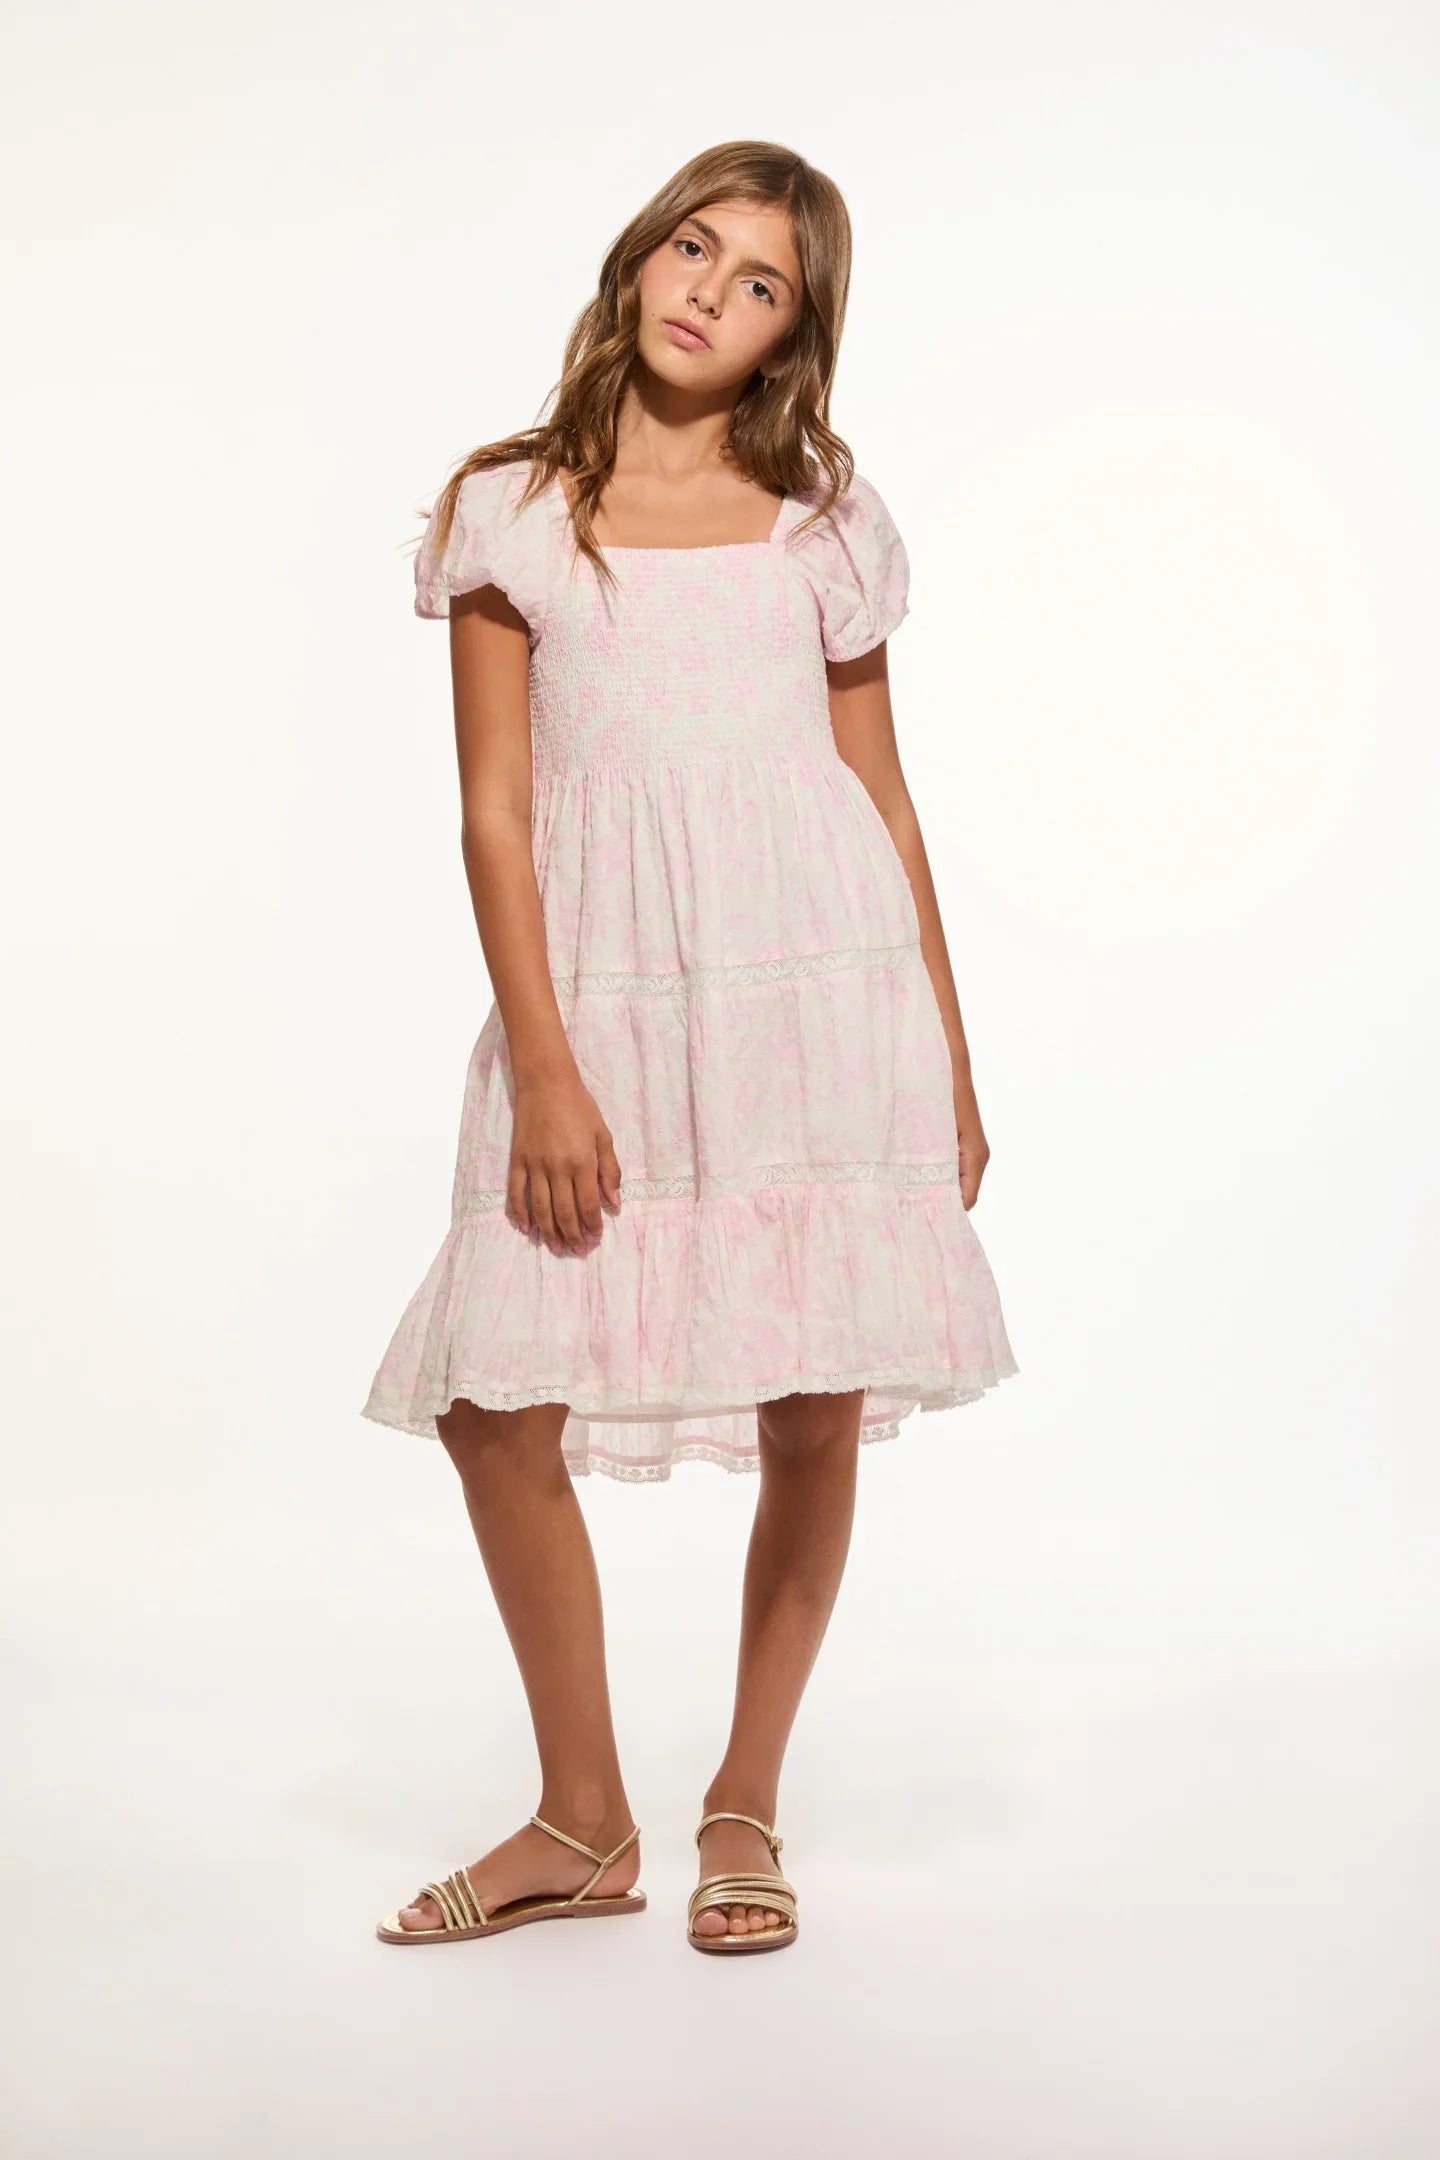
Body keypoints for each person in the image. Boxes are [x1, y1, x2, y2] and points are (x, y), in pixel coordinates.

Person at [363, 138, 1019, 1956]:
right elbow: (497, 813)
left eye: (760, 285)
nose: (708, 294)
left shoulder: (823, 521)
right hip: (605, 1001)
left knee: (814, 1394)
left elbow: (883, 801)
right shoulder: (512, 508)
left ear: (792, 336)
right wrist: (546, 1065)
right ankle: (583, 1817)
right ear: (640, 253)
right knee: (496, 1405)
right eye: (693, 248)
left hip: (818, 1000)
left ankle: (745, 1799)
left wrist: (952, 1062)